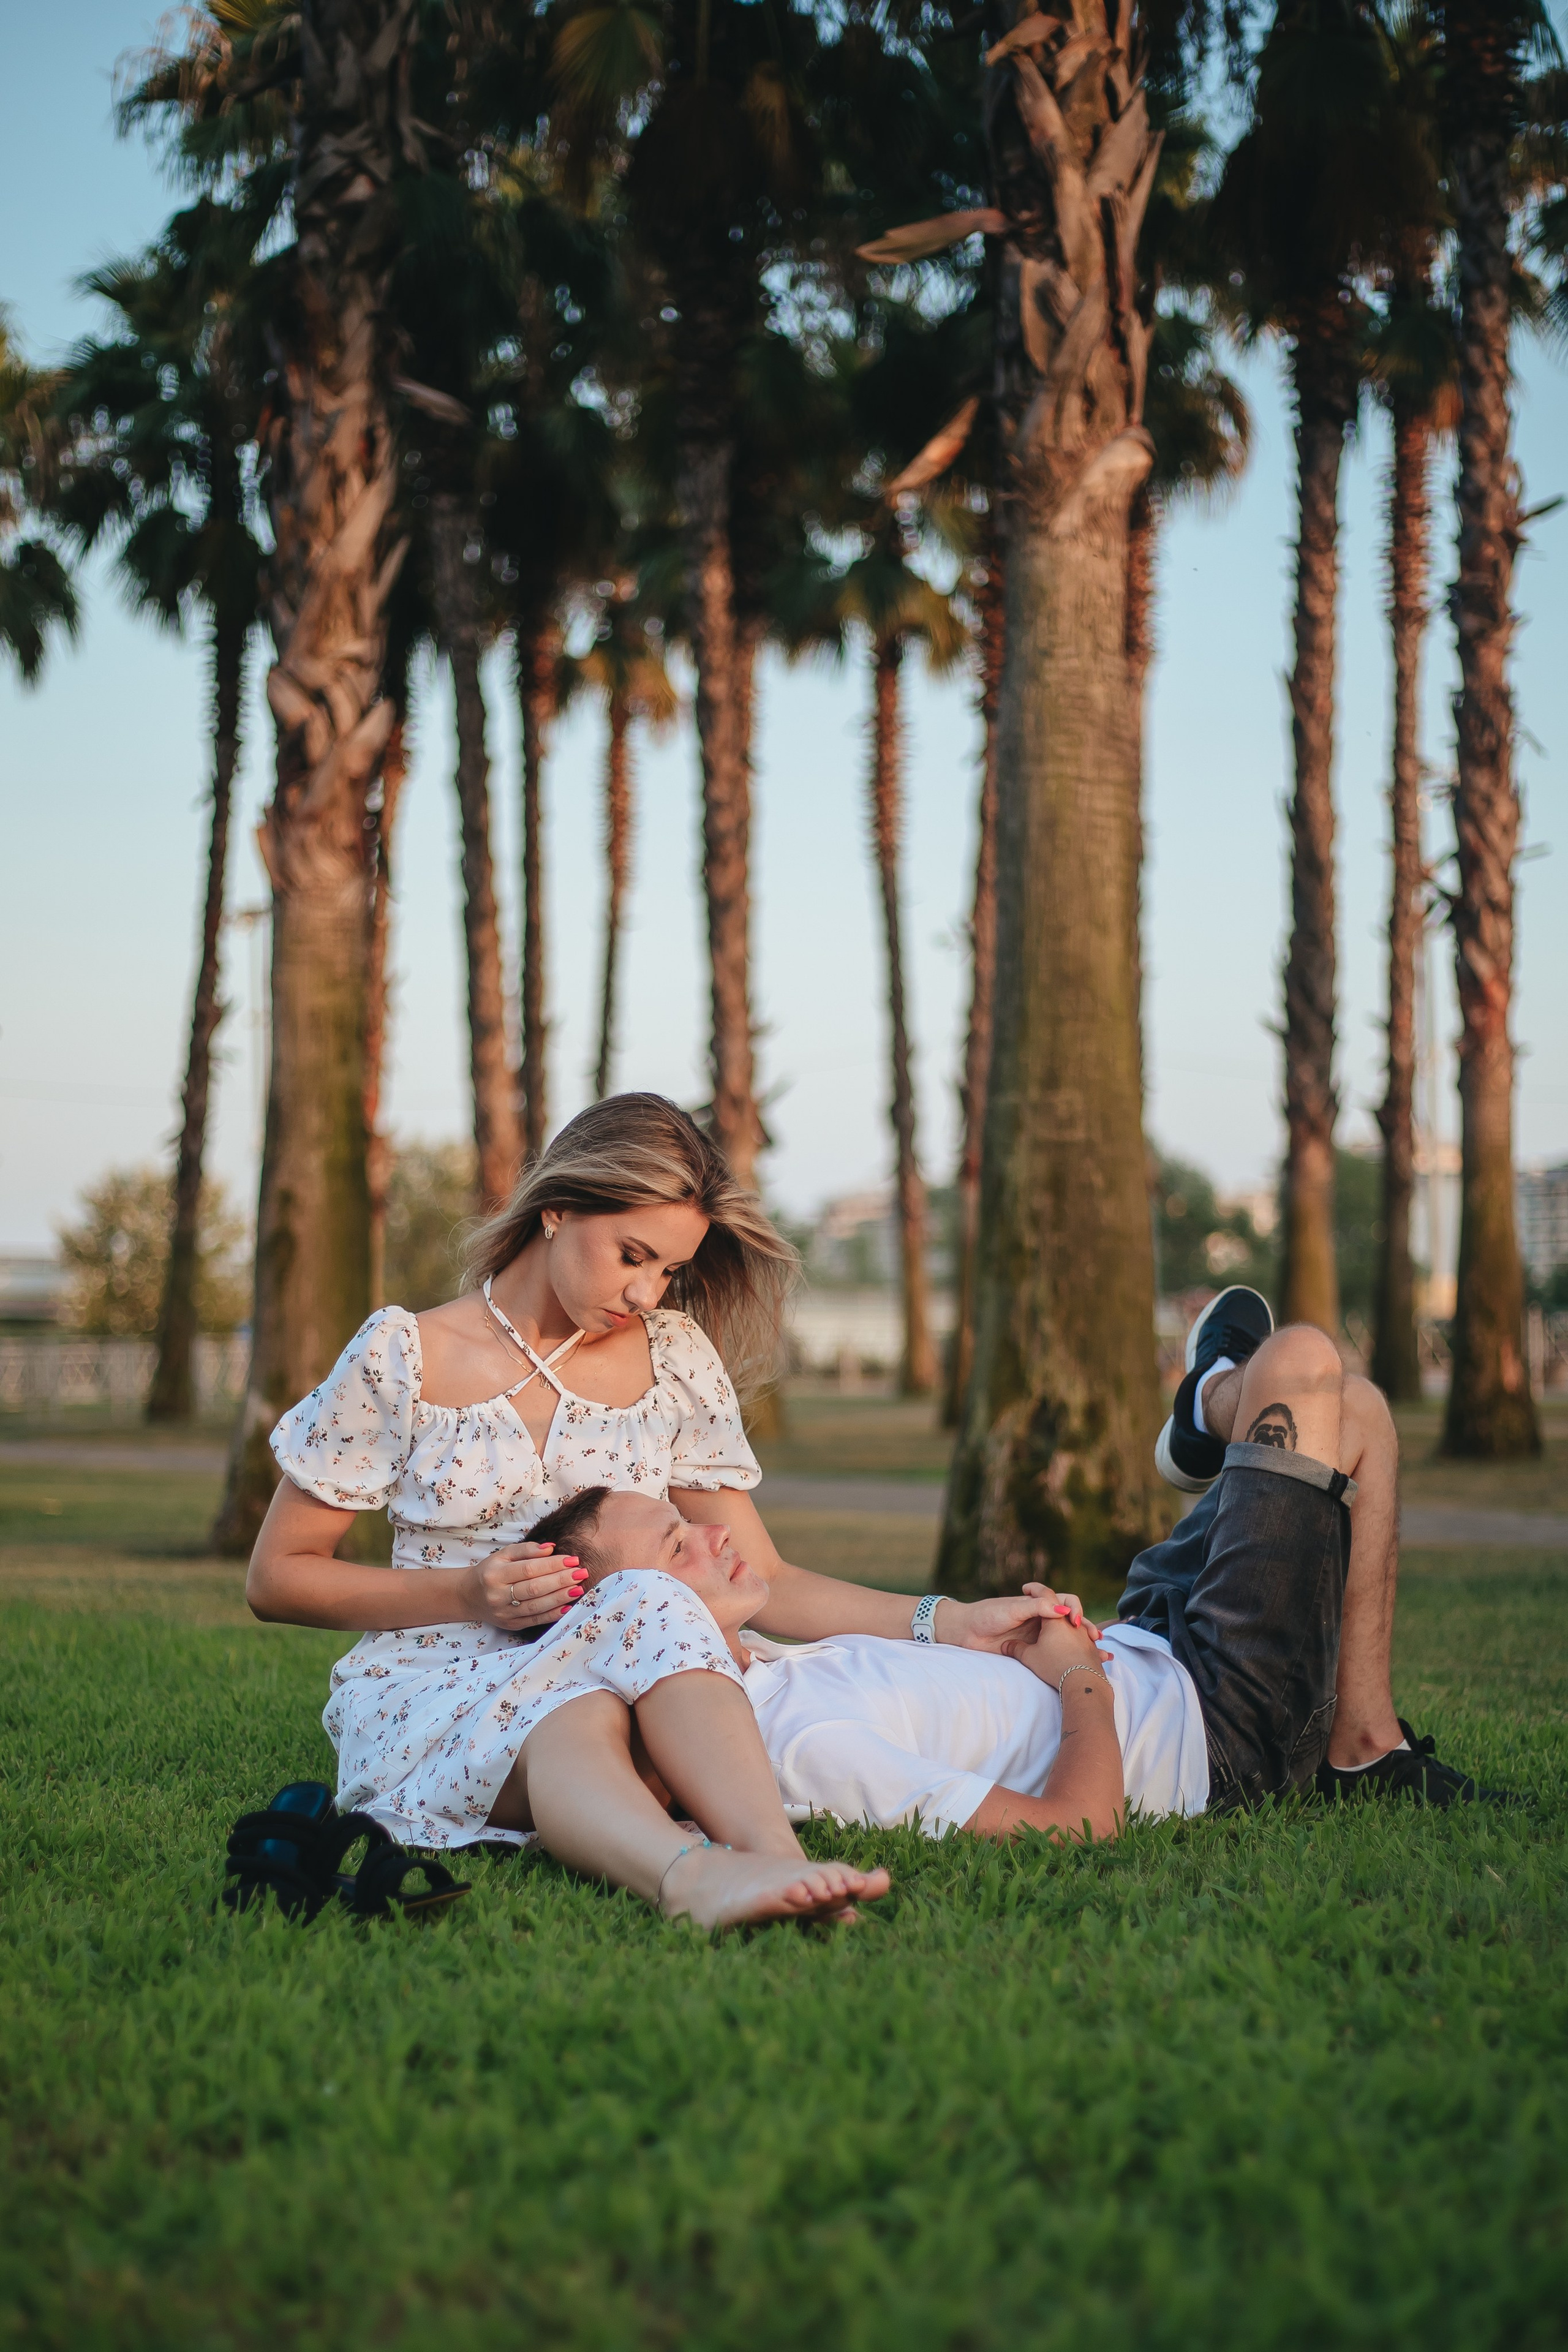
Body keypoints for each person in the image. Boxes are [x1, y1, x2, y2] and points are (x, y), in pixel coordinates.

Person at [244, 1093, 1064, 1928]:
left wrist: (947, 1620)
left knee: (640, 1617)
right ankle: (691, 1877)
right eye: (633, 1255)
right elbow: (278, 1579)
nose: (646, 1292)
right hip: (438, 1692)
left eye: (668, 1270)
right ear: (557, 1209)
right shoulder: (404, 1354)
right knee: (596, 1680)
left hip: (636, 1690)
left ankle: (774, 1862)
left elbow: (764, 1577)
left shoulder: (673, 1360)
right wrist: (463, 1596)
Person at [524, 1484, 1202, 1844]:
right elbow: (1082, 1831)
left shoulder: (762, 1667)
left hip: (1149, 1631)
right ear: (633, 1626)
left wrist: (1015, 1639)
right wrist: (1077, 1676)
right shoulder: (799, 1747)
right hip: (1207, 1719)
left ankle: (1214, 1404)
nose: (717, 1532)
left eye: (687, 1519)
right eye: (677, 1548)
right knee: (1295, 1372)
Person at [1128, 1287, 1507, 1807]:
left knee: (1359, 1407)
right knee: (1303, 1363)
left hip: (1143, 1641)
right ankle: (1205, 1396)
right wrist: (1070, 1666)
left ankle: (1363, 1748)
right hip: (1207, 1727)